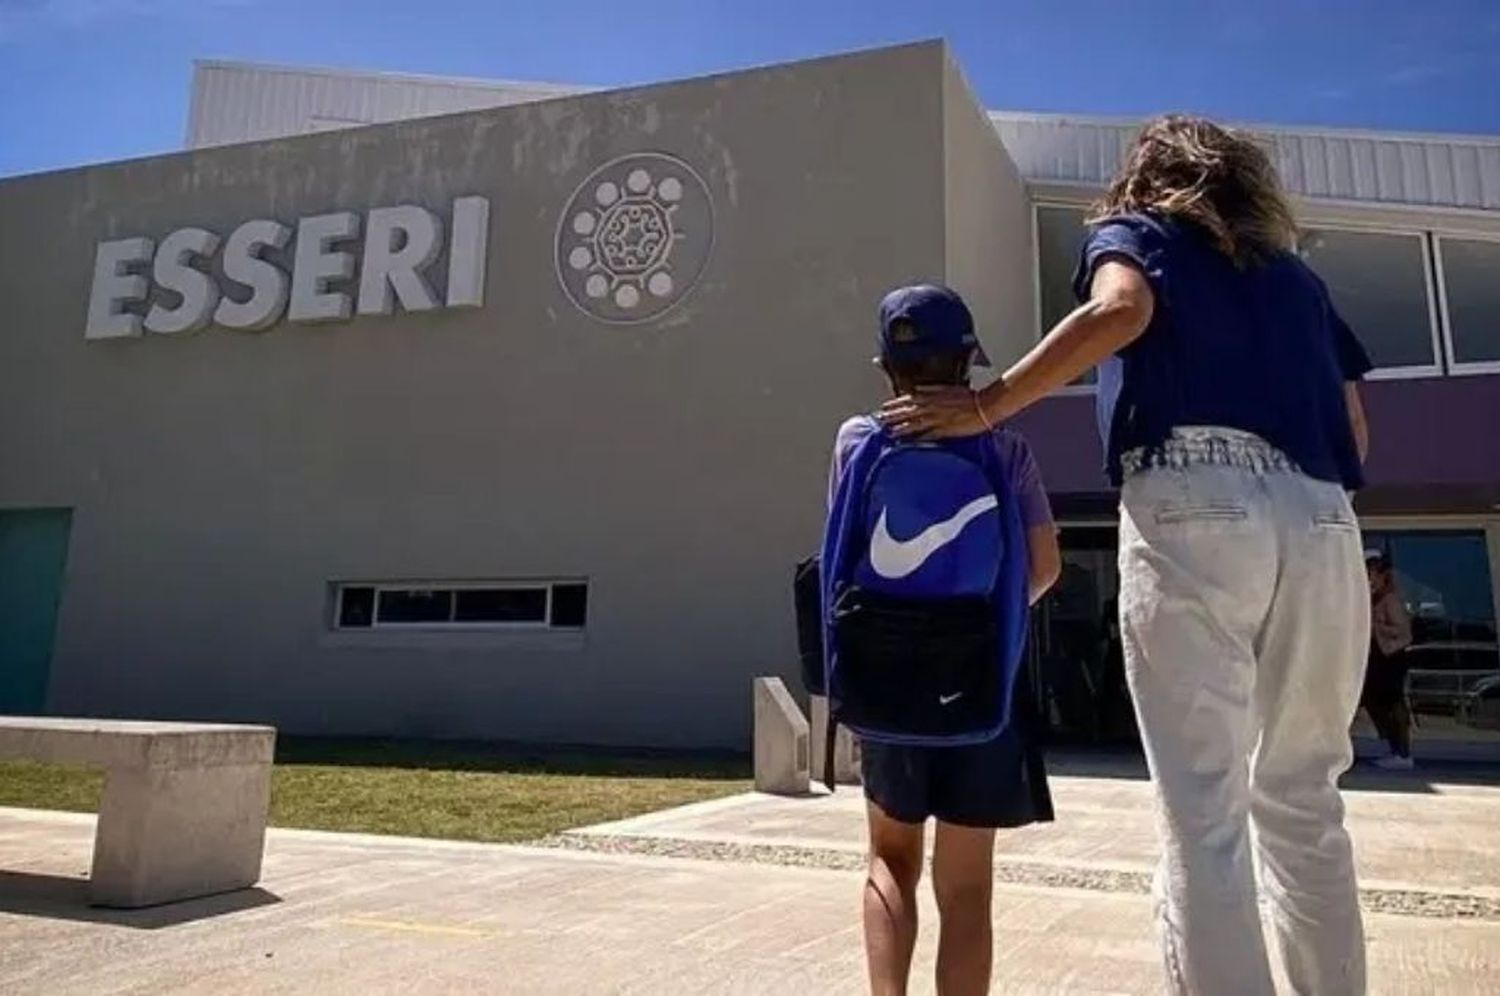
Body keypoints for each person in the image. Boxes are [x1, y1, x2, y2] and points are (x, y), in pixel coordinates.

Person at [879, 117, 1374, 995]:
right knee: (1306, 799)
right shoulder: (1299, 283)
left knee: (1205, 813)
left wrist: (990, 403)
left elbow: (1121, 310)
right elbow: (1357, 433)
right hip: (1323, 512)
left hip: (1194, 493)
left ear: (1150, 176)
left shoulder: (1140, 234)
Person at [827, 283, 1060, 996]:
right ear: (968, 363)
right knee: (966, 887)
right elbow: (1045, 566)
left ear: (886, 367)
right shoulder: (1006, 448)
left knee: (888, 861)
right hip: (981, 687)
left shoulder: (858, 441)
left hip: (885, 680)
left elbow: (842, 556)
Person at [1361, 552, 1415, 769]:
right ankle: (1392, 747)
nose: (1369, 578)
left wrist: (1377, 626)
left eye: (1372, 573)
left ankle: (1402, 752)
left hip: (1391, 656)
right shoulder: (1375, 598)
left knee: (1393, 702)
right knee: (1374, 698)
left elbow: (1404, 632)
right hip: (1379, 656)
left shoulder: (1390, 599)